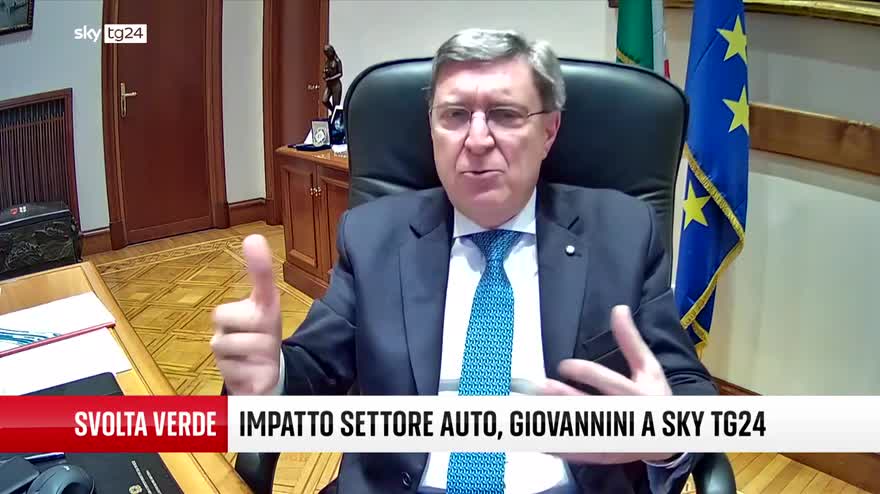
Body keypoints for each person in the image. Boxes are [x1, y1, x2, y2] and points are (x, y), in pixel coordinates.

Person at [212, 28, 717, 494]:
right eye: (455, 115)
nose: (476, 140)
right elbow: (314, 369)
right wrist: (272, 380)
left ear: (549, 131)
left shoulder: (622, 233)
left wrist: (666, 432)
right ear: (432, 129)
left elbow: (688, 387)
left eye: (506, 114)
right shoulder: (373, 237)